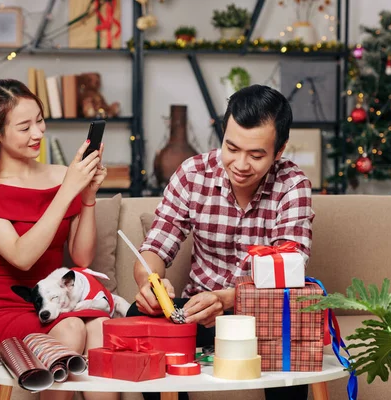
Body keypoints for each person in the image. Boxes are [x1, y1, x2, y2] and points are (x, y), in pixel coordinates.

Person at [128, 84, 315, 400]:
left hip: (264, 313)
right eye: (232, 148)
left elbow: (290, 267)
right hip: (199, 309)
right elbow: (156, 247)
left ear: (279, 151)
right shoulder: (192, 173)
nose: (241, 165)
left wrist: (231, 298)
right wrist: (150, 282)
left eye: (256, 155)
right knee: (138, 317)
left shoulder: (292, 185)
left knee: (289, 340)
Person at [0, 79, 117, 400]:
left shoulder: (61, 176)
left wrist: (87, 197)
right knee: (72, 328)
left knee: (99, 327)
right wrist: (68, 189)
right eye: (25, 127)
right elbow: (21, 256)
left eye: (39, 121)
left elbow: (81, 260)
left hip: (53, 304)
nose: (38, 133)